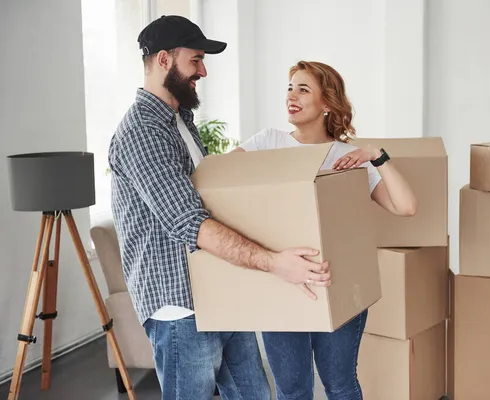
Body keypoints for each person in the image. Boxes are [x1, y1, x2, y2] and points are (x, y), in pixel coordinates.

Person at [108, 17, 332, 400]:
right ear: (164, 59)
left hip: (218, 292)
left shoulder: (180, 121)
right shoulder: (143, 131)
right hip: (179, 307)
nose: (203, 71)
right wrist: (274, 262)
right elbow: (190, 223)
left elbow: (216, 200)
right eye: (196, 60)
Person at [232, 60, 418, 399]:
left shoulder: (348, 155)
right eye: (290, 87)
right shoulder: (267, 142)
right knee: (293, 390)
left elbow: (405, 206)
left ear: (327, 103)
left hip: (339, 282)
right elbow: (223, 182)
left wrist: (376, 154)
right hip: (283, 284)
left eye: (304, 90)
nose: (292, 96)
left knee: (341, 384)